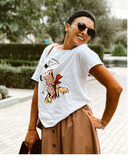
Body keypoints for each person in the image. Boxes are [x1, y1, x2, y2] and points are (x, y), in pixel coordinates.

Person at [25, 10, 123, 154]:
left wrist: (103, 122)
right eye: (81, 26)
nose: (85, 32)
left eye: (90, 32)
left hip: (75, 124)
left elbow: (115, 88)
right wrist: (31, 129)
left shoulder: (83, 53)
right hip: (48, 123)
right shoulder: (49, 50)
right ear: (67, 27)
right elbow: (39, 89)